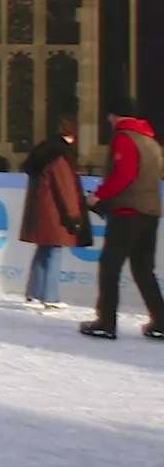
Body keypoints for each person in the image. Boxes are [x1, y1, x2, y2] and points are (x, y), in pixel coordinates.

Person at [80, 97, 164, 340]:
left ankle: (106, 322)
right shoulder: (150, 141)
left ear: (115, 115)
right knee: (143, 269)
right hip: (151, 211)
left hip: (128, 212)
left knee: (109, 266)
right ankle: (161, 320)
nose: (108, 119)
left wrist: (99, 196)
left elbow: (124, 174)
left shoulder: (124, 138)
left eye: (109, 115)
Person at [18, 118, 87, 311]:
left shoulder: (42, 152)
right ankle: (50, 296)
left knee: (43, 251)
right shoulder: (60, 156)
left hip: (41, 212)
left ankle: (34, 293)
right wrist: (74, 216)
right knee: (54, 252)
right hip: (54, 213)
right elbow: (65, 188)